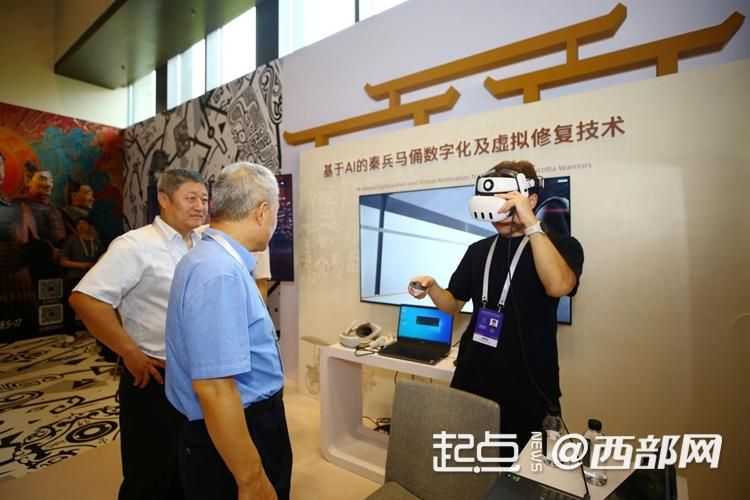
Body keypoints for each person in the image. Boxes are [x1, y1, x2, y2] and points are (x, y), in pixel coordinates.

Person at [408, 160, 584, 454]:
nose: (499, 213)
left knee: (518, 468)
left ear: (530, 201)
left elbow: (558, 286)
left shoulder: (562, 246)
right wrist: (433, 288)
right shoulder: (478, 250)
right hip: (473, 374)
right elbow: (453, 304)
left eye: (507, 202)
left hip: (528, 383)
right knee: (468, 457)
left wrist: (532, 224)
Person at [69, 168, 208, 500]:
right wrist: (129, 352)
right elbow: (86, 299)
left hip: (199, 377)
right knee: (150, 472)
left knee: (191, 468)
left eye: (204, 199)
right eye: (190, 198)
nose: (200, 206)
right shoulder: (135, 245)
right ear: (164, 199)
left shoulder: (203, 243)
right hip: (154, 376)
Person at [165, 162, 291, 500]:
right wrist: (252, 479)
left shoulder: (208, 259)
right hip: (237, 428)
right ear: (262, 212)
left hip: (233, 423)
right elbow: (215, 389)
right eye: (276, 211)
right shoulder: (218, 272)